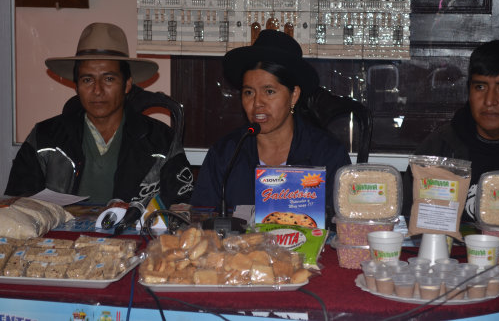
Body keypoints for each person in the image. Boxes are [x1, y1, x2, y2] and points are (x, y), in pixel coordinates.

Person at [5, 22, 193, 207]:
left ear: (127, 84)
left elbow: (182, 205)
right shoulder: (44, 138)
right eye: (87, 80)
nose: (97, 90)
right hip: (59, 237)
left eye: (109, 79)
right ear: (76, 86)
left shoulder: (161, 140)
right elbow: (17, 204)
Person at [190, 29, 351, 223]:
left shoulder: (327, 154)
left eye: (269, 91)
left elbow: (344, 225)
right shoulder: (226, 153)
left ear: (294, 95)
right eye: (249, 92)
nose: (257, 103)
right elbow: (201, 220)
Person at [403, 40, 499, 234]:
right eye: (480, 87)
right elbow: (407, 225)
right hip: (455, 261)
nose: (490, 101)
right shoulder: (441, 146)